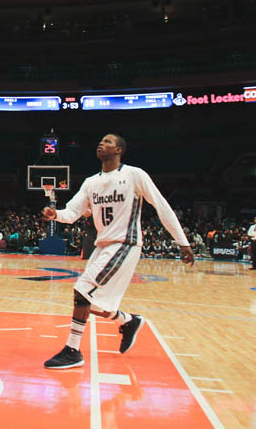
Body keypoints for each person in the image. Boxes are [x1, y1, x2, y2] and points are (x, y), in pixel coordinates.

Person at [41, 134, 194, 369]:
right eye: (100, 141)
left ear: (119, 150)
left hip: (125, 243)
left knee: (82, 290)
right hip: (103, 246)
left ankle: (73, 350)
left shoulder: (134, 175)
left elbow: (162, 206)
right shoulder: (91, 182)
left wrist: (182, 242)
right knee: (91, 304)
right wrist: (56, 215)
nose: (101, 143)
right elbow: (71, 212)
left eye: (108, 142)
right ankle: (129, 321)